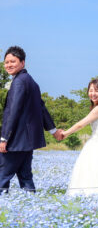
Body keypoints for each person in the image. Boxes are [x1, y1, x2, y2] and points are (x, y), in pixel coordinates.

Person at [0, 46, 63, 194]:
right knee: (25, 176)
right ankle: (31, 204)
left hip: (16, 141)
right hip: (27, 142)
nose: (9, 65)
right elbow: (42, 108)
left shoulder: (19, 82)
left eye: (13, 61)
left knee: (2, 175)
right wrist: (53, 130)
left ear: (23, 63)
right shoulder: (31, 82)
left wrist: (4, 138)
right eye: (6, 62)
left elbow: (13, 113)